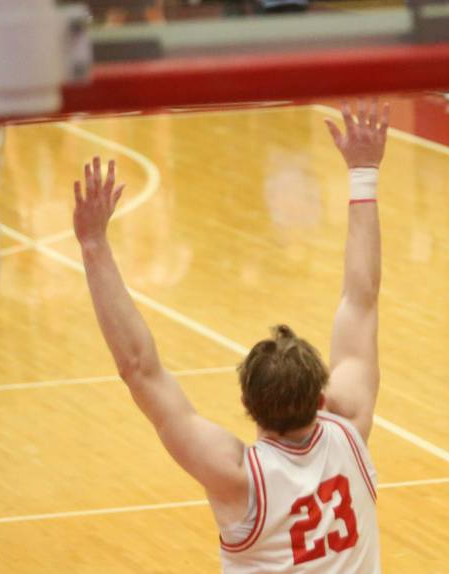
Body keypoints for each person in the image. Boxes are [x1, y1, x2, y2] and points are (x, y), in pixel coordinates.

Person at [72, 100, 389, 573]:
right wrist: (363, 172)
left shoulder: (239, 478)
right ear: (323, 397)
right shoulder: (349, 425)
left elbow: (138, 369)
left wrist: (94, 245)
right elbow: (360, 297)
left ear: (247, 405)